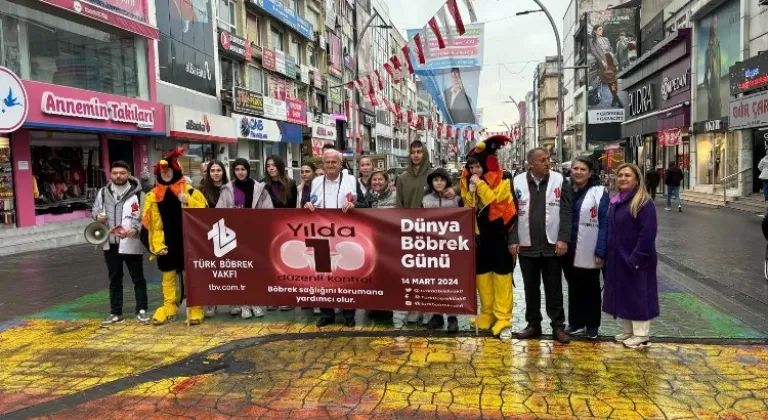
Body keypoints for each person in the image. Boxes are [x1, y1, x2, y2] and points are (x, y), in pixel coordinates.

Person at [509, 147, 573, 344]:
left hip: (552, 245)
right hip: (526, 245)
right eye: (542, 160)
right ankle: (533, 324)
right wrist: (512, 239)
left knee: (553, 288)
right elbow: (509, 213)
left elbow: (566, 211)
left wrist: (563, 238)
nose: (547, 163)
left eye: (548, 159)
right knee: (530, 288)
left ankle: (558, 327)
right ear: (531, 163)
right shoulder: (516, 181)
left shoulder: (560, 180)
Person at [141, 148, 208, 325]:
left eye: (169, 170)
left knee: (191, 276)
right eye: (163, 171)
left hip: (189, 242)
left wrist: (189, 201)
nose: (166, 173)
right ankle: (169, 306)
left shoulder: (191, 191)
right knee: (168, 277)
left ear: (176, 171)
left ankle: (195, 307)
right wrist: (157, 246)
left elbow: (206, 214)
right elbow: (150, 225)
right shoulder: (152, 196)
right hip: (166, 243)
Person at [461, 136, 518, 339]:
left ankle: (503, 320)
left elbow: (497, 206)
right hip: (480, 239)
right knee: (482, 277)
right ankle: (487, 314)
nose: (474, 170)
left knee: (501, 278)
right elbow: (468, 210)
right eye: (472, 167)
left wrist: (481, 186)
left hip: (500, 238)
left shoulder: (504, 179)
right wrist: (470, 192)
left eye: (478, 166)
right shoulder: (469, 182)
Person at [603, 163, 659, 349]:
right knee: (625, 294)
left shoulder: (643, 202)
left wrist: (636, 257)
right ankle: (629, 331)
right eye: (620, 175)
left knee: (639, 294)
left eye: (627, 175)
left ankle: (641, 335)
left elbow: (648, 234)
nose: (623, 178)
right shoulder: (617, 200)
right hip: (619, 258)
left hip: (637, 259)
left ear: (636, 179)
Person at [305, 148, 359, 327]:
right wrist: (307, 205)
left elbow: (362, 204)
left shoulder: (351, 180)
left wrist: (354, 204)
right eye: (327, 162)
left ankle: (349, 313)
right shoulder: (316, 182)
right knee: (323, 276)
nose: (330, 165)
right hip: (321, 234)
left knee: (346, 274)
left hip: (345, 235)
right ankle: (327, 313)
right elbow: (311, 203)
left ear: (340, 163)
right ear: (323, 164)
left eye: (334, 162)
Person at [217, 158, 274, 319]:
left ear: (248, 170)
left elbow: (269, 211)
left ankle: (255, 302)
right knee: (240, 271)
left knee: (254, 271)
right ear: (233, 172)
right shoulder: (226, 190)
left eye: (243, 169)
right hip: (234, 237)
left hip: (254, 235)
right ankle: (244, 305)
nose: (240, 172)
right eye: (237, 169)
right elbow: (218, 212)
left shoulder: (259, 188)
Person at [93, 161, 149, 326]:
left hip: (131, 241)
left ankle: (142, 311)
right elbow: (95, 210)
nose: (118, 176)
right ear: (110, 174)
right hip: (111, 243)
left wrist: (136, 229)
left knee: (137, 279)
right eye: (115, 173)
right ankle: (116, 313)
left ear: (129, 174)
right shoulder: (103, 193)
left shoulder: (138, 194)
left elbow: (145, 215)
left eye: (122, 173)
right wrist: (98, 217)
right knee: (114, 279)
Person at [561, 158, 609, 340]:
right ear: (570, 171)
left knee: (591, 287)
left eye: (583, 169)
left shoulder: (599, 192)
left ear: (589, 172)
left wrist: (601, 250)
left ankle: (592, 325)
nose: (578, 172)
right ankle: (575, 321)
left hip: (590, 248)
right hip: (568, 248)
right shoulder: (565, 189)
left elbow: (604, 222)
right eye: (575, 168)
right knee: (573, 286)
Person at [422, 167, 462, 332]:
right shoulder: (425, 200)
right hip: (432, 247)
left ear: (447, 182)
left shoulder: (456, 199)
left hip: (451, 246)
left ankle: (452, 317)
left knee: (450, 283)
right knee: (434, 282)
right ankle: (437, 315)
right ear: (431, 182)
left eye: (442, 179)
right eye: (435, 180)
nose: (438, 183)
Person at [200, 160, 228, 318]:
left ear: (223, 172)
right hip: (209, 235)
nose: (216, 173)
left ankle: (235, 302)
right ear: (208, 173)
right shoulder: (201, 191)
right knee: (212, 272)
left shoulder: (231, 189)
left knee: (231, 270)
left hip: (230, 234)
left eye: (219, 170)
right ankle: (211, 302)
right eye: (213, 170)